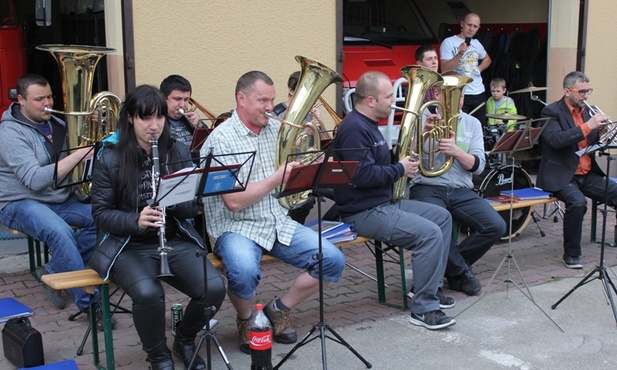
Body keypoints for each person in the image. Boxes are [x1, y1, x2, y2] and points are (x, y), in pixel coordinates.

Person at [202, 70, 346, 353]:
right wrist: (277, 177)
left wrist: (308, 168)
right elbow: (233, 202)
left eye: (272, 99)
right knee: (243, 271)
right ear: (241, 99)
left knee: (333, 260)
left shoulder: (275, 132)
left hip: (274, 220)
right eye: (262, 100)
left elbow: (287, 181)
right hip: (235, 226)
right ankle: (247, 321)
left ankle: (278, 309)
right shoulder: (222, 140)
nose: (270, 107)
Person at [89, 84, 226, 370]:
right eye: (146, 118)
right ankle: (158, 357)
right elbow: (101, 214)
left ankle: (185, 340)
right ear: (130, 118)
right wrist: (135, 220)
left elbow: (187, 209)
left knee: (213, 288)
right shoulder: (109, 155)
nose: (154, 126)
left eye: (159, 118)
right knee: (150, 294)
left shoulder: (175, 149)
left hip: (171, 239)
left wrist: (194, 191)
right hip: (125, 245)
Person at [333, 70, 455, 330]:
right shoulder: (354, 128)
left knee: (442, 217)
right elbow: (361, 175)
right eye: (388, 96)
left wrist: (419, 134)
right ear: (370, 101)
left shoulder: (368, 126)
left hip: (383, 202)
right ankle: (423, 309)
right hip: (363, 210)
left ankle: (425, 289)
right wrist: (399, 170)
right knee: (429, 234)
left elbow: (382, 160)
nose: (393, 101)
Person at [0, 73, 96, 312]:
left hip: (59, 198)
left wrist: (91, 126)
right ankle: (88, 305)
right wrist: (79, 155)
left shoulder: (59, 124)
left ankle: (54, 271)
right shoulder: (9, 133)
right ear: (21, 100)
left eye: (50, 97)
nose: (48, 103)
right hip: (19, 202)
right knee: (60, 232)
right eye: (39, 99)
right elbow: (34, 180)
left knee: (106, 217)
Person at [409, 76, 506, 296]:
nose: (456, 100)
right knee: (437, 224)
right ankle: (460, 272)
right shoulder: (423, 118)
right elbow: (406, 158)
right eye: (448, 94)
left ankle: (451, 270)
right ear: (437, 95)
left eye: (460, 95)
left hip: (461, 189)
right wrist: (422, 136)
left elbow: (479, 167)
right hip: (428, 185)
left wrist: (457, 151)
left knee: (496, 226)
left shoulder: (472, 124)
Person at [536, 71, 616, 269]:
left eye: (588, 91)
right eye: (581, 92)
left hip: (587, 173)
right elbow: (556, 140)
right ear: (566, 91)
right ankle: (571, 254)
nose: (586, 96)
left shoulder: (589, 111)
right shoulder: (551, 112)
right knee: (578, 203)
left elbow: (590, 144)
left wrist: (603, 136)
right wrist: (588, 127)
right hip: (562, 175)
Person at [273, 70, 338, 224]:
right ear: (290, 89)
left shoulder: (311, 112)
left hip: (312, 170)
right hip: (290, 174)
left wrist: (319, 126)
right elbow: (278, 149)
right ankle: (293, 234)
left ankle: (326, 230)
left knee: (345, 192)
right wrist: (305, 133)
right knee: (305, 203)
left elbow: (325, 144)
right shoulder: (277, 113)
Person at [440, 12, 492, 125]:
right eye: (469, 25)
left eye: (475, 26)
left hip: (478, 92)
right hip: (458, 93)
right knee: (459, 129)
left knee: (478, 128)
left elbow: (487, 59)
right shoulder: (448, 42)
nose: (471, 29)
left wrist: (478, 69)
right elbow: (444, 69)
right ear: (462, 24)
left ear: (478, 28)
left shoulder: (477, 43)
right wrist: (459, 54)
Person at [160, 74, 204, 153]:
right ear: (163, 98)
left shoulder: (190, 120)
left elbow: (207, 146)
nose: (182, 105)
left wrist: (200, 126)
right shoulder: (157, 122)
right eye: (177, 99)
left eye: (186, 100)